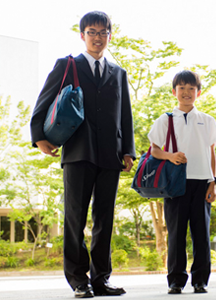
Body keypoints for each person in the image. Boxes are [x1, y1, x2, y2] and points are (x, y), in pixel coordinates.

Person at [30, 11, 135, 298]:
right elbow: (44, 101)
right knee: (74, 218)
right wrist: (38, 136)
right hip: (77, 153)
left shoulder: (118, 73)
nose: (98, 37)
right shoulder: (68, 65)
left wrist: (128, 151)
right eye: (92, 32)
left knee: (105, 219)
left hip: (110, 156)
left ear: (110, 36)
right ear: (82, 35)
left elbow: (125, 115)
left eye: (103, 32)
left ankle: (102, 279)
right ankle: (78, 279)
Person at [148, 70, 216, 294]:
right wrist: (171, 156)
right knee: (177, 234)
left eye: (191, 88)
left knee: (201, 234)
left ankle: (200, 280)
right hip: (175, 184)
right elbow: (154, 151)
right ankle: (176, 281)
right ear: (174, 92)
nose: (187, 92)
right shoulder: (165, 119)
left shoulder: (207, 120)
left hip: (202, 183)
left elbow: (212, 153)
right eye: (182, 88)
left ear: (198, 92)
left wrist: (213, 182)